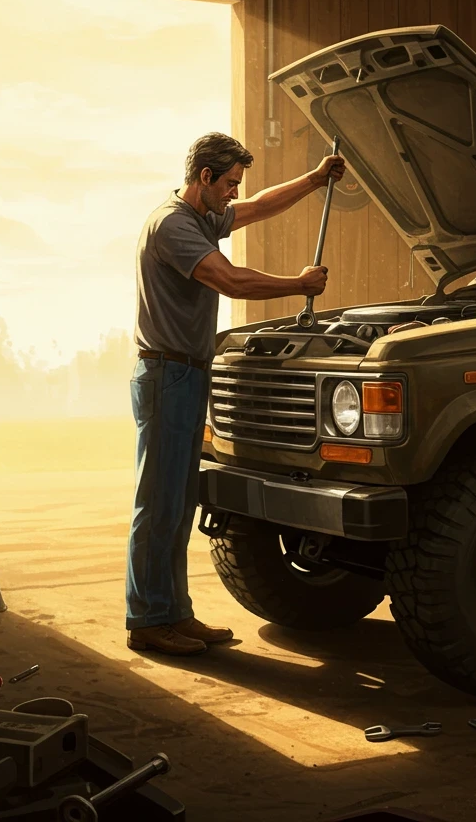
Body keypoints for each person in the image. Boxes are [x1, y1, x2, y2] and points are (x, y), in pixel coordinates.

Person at [126, 131, 345, 656]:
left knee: (178, 505)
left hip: (187, 373)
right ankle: (148, 620)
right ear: (204, 178)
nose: (233, 194)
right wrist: (298, 284)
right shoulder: (174, 225)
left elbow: (258, 207)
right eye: (227, 184)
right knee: (156, 506)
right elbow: (230, 281)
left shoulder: (202, 215)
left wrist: (315, 180)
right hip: (166, 375)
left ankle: (174, 613)